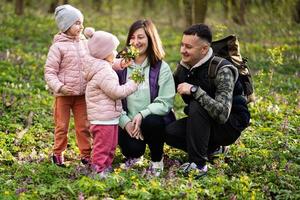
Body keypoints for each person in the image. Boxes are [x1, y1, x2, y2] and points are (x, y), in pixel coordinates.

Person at [165, 24, 250, 177]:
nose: (182, 50)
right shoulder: (184, 67)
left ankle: (198, 165)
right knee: (170, 132)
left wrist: (194, 90)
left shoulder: (222, 69)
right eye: (182, 45)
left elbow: (223, 114)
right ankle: (214, 149)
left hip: (229, 125)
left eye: (188, 47)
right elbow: (164, 90)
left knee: (196, 105)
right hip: (203, 123)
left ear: (203, 49)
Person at [117, 19, 176, 176]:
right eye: (133, 37)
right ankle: (135, 156)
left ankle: (157, 160)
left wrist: (142, 114)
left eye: (141, 37)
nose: (136, 42)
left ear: (150, 39)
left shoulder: (161, 67)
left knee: (153, 121)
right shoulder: (120, 64)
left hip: (152, 122)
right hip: (128, 122)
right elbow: (110, 97)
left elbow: (166, 101)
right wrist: (125, 122)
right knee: (133, 149)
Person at [83, 28, 139, 176]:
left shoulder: (100, 64)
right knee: (103, 146)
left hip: (108, 116)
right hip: (103, 119)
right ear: (104, 54)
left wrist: (122, 64)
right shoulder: (103, 72)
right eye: (113, 50)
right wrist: (133, 84)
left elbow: (111, 64)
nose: (115, 53)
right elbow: (116, 92)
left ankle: (105, 165)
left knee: (110, 144)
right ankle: (98, 170)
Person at [44, 5, 91, 167]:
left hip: (81, 95)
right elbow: (50, 72)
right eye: (77, 23)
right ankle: (58, 153)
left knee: (83, 126)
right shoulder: (58, 47)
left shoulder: (86, 44)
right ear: (65, 25)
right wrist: (59, 87)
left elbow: (94, 60)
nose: (81, 26)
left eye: (82, 23)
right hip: (63, 95)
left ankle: (86, 155)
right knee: (61, 126)